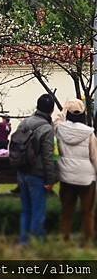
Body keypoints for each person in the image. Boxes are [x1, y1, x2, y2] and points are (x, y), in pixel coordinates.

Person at [14, 94, 57, 245]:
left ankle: (24, 242)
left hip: (21, 172)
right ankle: (35, 245)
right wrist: (50, 180)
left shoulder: (24, 122)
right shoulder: (46, 128)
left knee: (26, 210)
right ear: (51, 110)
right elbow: (48, 156)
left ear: (37, 106)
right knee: (38, 212)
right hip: (37, 175)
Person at [54, 99, 97, 245]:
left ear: (68, 113)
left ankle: (65, 240)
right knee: (88, 212)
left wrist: (64, 108)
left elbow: (57, 120)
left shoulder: (60, 129)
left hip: (66, 176)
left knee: (66, 211)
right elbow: (94, 157)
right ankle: (87, 242)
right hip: (86, 177)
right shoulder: (89, 133)